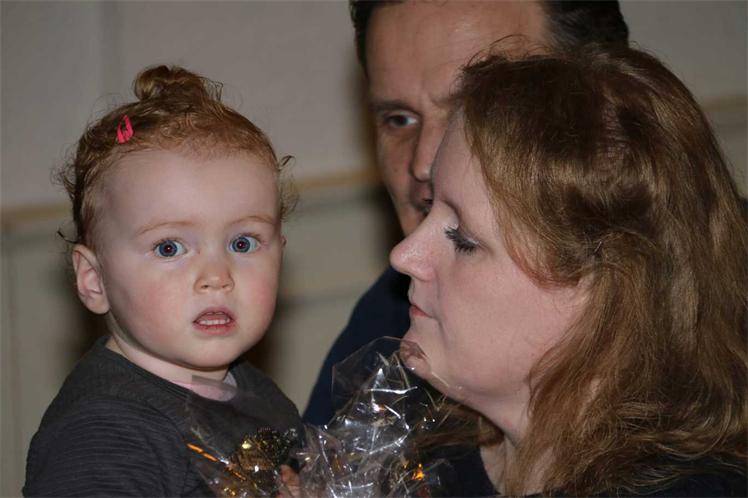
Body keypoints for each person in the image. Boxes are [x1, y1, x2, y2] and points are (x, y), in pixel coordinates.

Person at [390, 44, 748, 496]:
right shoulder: (419, 444)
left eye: (464, 240)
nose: (404, 255)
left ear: (606, 290)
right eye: (429, 207)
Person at [304, 0, 630, 427]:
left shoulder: (698, 385)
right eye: (399, 119)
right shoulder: (392, 317)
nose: (423, 162)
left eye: (474, 110)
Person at [24, 65, 301, 496]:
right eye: (169, 248)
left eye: (243, 243)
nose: (217, 277)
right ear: (94, 280)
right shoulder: (105, 433)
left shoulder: (250, 388)